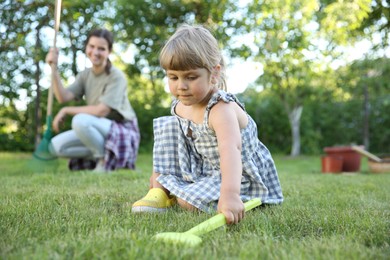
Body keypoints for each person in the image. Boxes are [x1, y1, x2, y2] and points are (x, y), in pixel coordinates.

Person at [131, 24, 283, 224]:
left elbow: (232, 150)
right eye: (173, 77)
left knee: (188, 203)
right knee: (168, 124)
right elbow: (178, 145)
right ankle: (158, 190)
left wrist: (230, 195)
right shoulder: (180, 105)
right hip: (205, 169)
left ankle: (183, 193)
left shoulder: (221, 109)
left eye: (191, 77)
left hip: (238, 176)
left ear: (213, 74)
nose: (181, 86)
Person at [45, 28, 140, 172]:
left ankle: (103, 161)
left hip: (122, 130)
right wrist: (54, 68)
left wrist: (66, 111)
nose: (95, 52)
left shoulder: (117, 76)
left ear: (109, 51)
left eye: (101, 48)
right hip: (97, 128)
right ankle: (106, 155)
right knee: (55, 146)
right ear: (86, 47)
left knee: (80, 120)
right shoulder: (85, 75)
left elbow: (101, 110)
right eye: (92, 46)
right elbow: (62, 97)